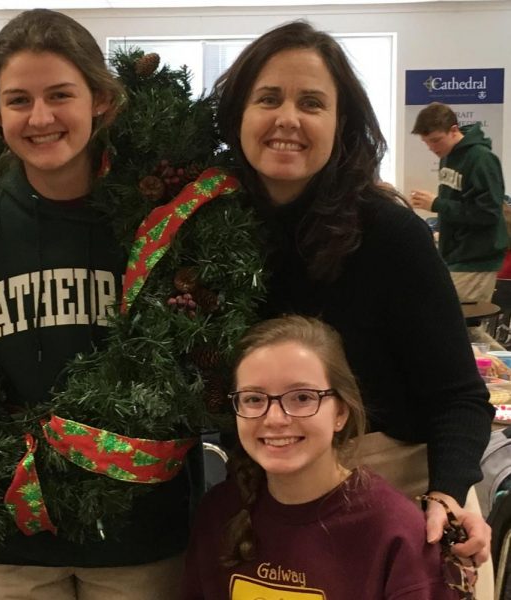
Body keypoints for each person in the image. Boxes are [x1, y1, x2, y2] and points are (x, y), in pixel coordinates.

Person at [212, 20, 495, 590]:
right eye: (268, 98)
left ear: (340, 125)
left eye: (312, 102)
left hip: (387, 488)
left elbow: (459, 396)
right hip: (262, 492)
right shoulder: (206, 232)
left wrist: (447, 491)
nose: (288, 118)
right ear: (237, 116)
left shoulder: (389, 234)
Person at [0, 9, 187, 599]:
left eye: (60, 95)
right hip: (7, 538)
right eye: (18, 99)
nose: (41, 117)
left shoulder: (158, 222)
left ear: (100, 99)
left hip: (140, 533)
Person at [183, 315, 458, 599]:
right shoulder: (218, 513)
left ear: (340, 412)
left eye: (302, 397)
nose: (275, 418)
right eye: (254, 399)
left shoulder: (395, 532)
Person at [410, 102, 507, 349]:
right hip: (456, 254)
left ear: (454, 130)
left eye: (436, 140)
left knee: (459, 325)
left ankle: (504, 370)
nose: (432, 148)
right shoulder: (448, 158)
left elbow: (488, 213)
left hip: (477, 255)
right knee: (463, 328)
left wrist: (437, 204)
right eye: (427, 143)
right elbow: (461, 204)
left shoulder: (482, 159)